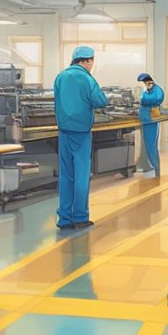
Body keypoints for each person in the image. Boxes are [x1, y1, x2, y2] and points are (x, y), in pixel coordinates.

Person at [53, 45, 109, 230]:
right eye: (91, 61)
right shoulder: (86, 78)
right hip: (81, 133)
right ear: (87, 61)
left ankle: (64, 219)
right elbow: (101, 101)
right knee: (81, 176)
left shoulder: (61, 76)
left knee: (66, 175)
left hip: (63, 132)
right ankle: (80, 217)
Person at [136, 73, 165, 177]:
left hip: (151, 121)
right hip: (145, 120)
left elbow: (154, 99)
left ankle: (155, 169)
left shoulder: (156, 90)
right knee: (147, 147)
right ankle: (149, 168)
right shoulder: (147, 91)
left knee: (151, 146)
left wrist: (144, 94)